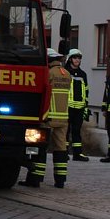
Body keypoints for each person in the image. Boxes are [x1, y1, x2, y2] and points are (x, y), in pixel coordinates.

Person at [20, 49, 71, 188]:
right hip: (63, 119)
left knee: (39, 147)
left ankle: (35, 179)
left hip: (48, 118)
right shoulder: (67, 74)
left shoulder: (48, 73)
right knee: (61, 148)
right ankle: (60, 180)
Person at [65, 48, 90, 162]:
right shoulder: (64, 72)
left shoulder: (83, 74)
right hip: (67, 106)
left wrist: (86, 107)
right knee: (65, 130)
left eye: (79, 58)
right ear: (70, 59)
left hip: (79, 107)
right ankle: (63, 152)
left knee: (76, 131)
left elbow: (86, 91)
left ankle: (77, 154)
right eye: (75, 58)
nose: (77, 60)